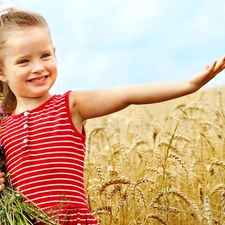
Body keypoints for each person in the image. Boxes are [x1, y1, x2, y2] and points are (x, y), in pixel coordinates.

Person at [0, 1, 225, 224]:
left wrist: (187, 86)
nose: (38, 67)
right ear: (2, 72)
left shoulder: (70, 105)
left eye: (45, 55)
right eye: (23, 61)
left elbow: (127, 95)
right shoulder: (3, 127)